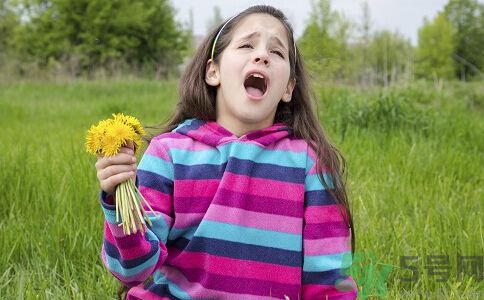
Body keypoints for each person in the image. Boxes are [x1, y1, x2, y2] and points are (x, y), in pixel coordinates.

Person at [95, 5, 357, 299]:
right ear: (213, 71)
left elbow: (329, 281)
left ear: (288, 88)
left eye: (277, 52)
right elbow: (133, 270)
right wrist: (119, 199)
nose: (262, 56)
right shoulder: (169, 153)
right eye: (247, 45)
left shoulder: (310, 164)